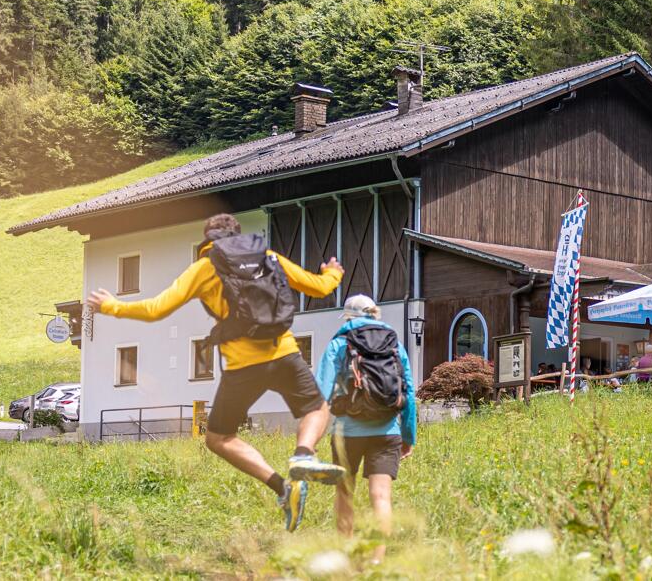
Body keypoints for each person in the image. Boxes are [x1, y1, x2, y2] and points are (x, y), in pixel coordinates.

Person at [86, 213, 348, 531]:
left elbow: (156, 309)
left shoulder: (204, 267)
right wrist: (333, 273)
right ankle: (303, 455)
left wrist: (111, 305)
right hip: (284, 352)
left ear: (207, 239)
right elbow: (318, 288)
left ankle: (281, 487)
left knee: (219, 438)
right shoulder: (268, 256)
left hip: (242, 366)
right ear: (238, 233)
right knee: (317, 409)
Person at [315, 295, 416, 560]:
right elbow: (409, 392)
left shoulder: (339, 344)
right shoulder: (395, 345)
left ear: (348, 317)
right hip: (387, 432)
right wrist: (408, 436)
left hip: (347, 433)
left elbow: (320, 393)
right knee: (381, 497)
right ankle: (376, 562)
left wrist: (310, 439)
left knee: (344, 493)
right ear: (375, 314)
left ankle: (346, 557)